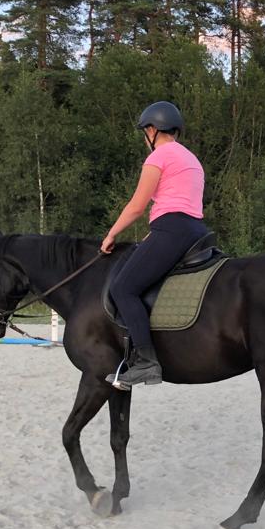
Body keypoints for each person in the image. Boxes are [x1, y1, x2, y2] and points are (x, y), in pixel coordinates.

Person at [101, 101, 210, 388]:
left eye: (144, 132)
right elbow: (185, 205)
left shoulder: (158, 158)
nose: (144, 138)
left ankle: (146, 363)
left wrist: (111, 234)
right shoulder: (192, 160)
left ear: (152, 129)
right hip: (195, 230)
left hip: (172, 229)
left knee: (123, 288)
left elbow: (137, 206)